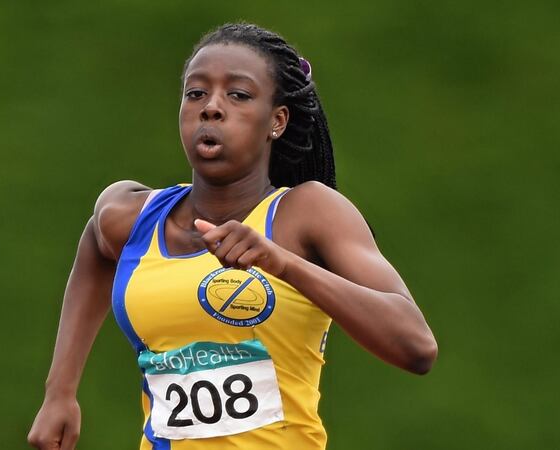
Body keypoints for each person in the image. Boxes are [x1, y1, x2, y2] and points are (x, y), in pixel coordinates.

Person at [27, 22, 437, 450]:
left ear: (276, 121)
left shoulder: (307, 213)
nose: (211, 108)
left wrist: (282, 262)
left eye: (238, 95)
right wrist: (60, 392)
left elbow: (415, 346)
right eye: (196, 93)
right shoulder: (133, 216)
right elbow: (96, 244)